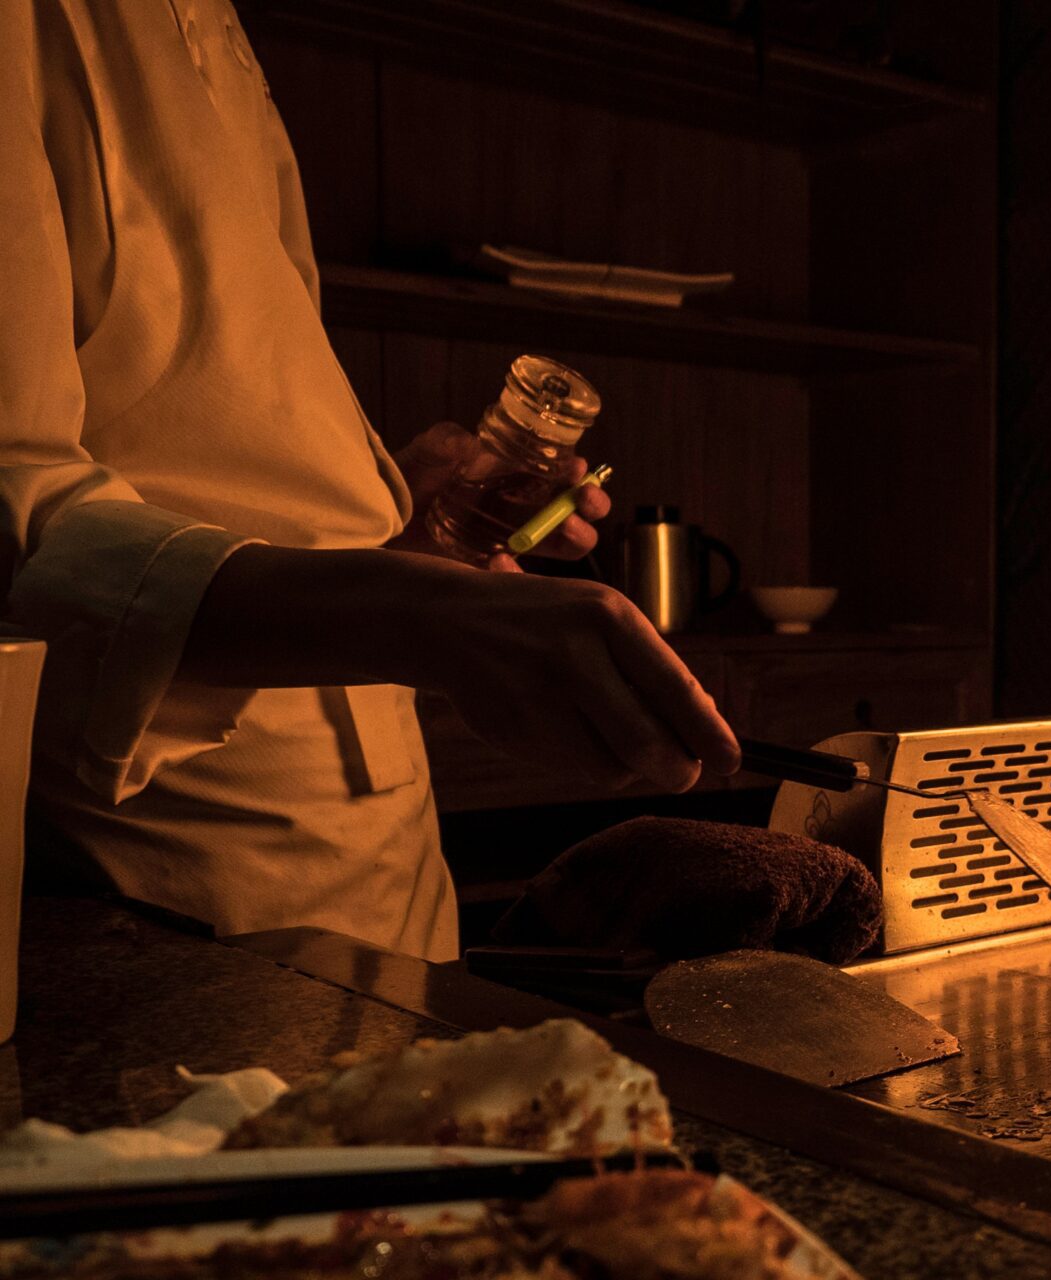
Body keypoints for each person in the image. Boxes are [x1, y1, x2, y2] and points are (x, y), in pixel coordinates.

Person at [2, 1, 739, 961]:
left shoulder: (216, 30)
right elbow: (18, 516)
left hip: (387, 844)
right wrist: (411, 614)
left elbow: (219, 433)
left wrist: (399, 547)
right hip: (173, 854)